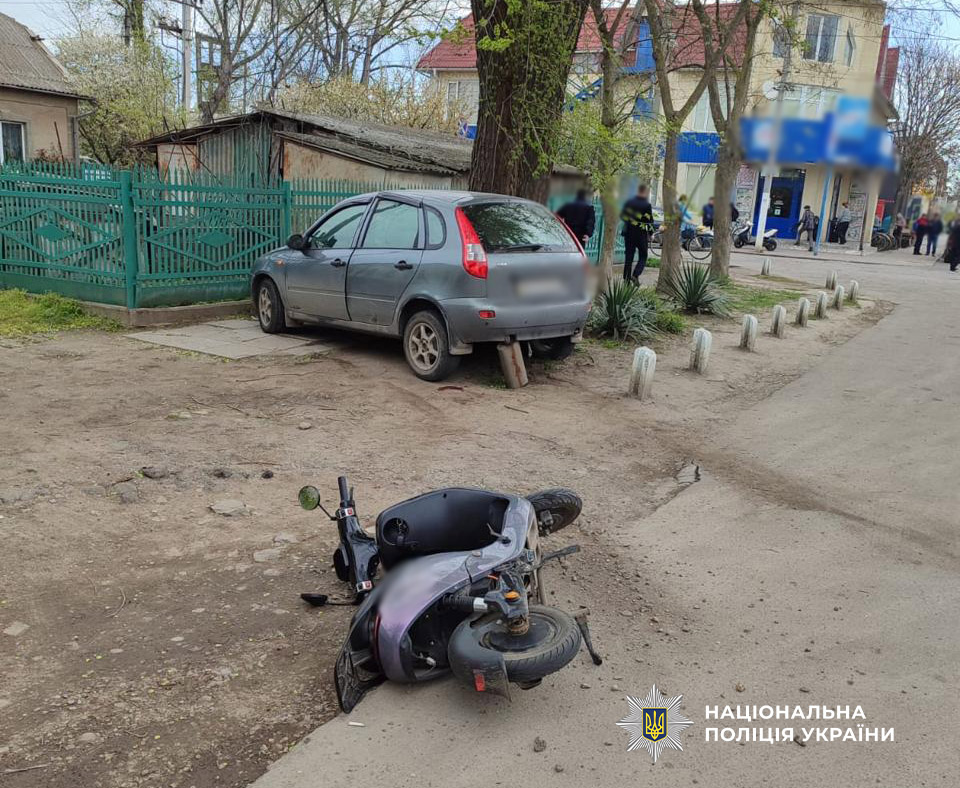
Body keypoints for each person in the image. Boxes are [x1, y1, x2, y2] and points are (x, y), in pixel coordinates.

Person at [620, 184, 654, 282]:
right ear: (645, 192)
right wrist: (651, 233)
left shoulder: (629, 202)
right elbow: (649, 221)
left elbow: (622, 216)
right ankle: (635, 274)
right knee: (643, 255)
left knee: (629, 256)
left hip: (629, 233)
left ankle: (626, 280)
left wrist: (630, 222)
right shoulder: (647, 205)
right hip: (641, 234)